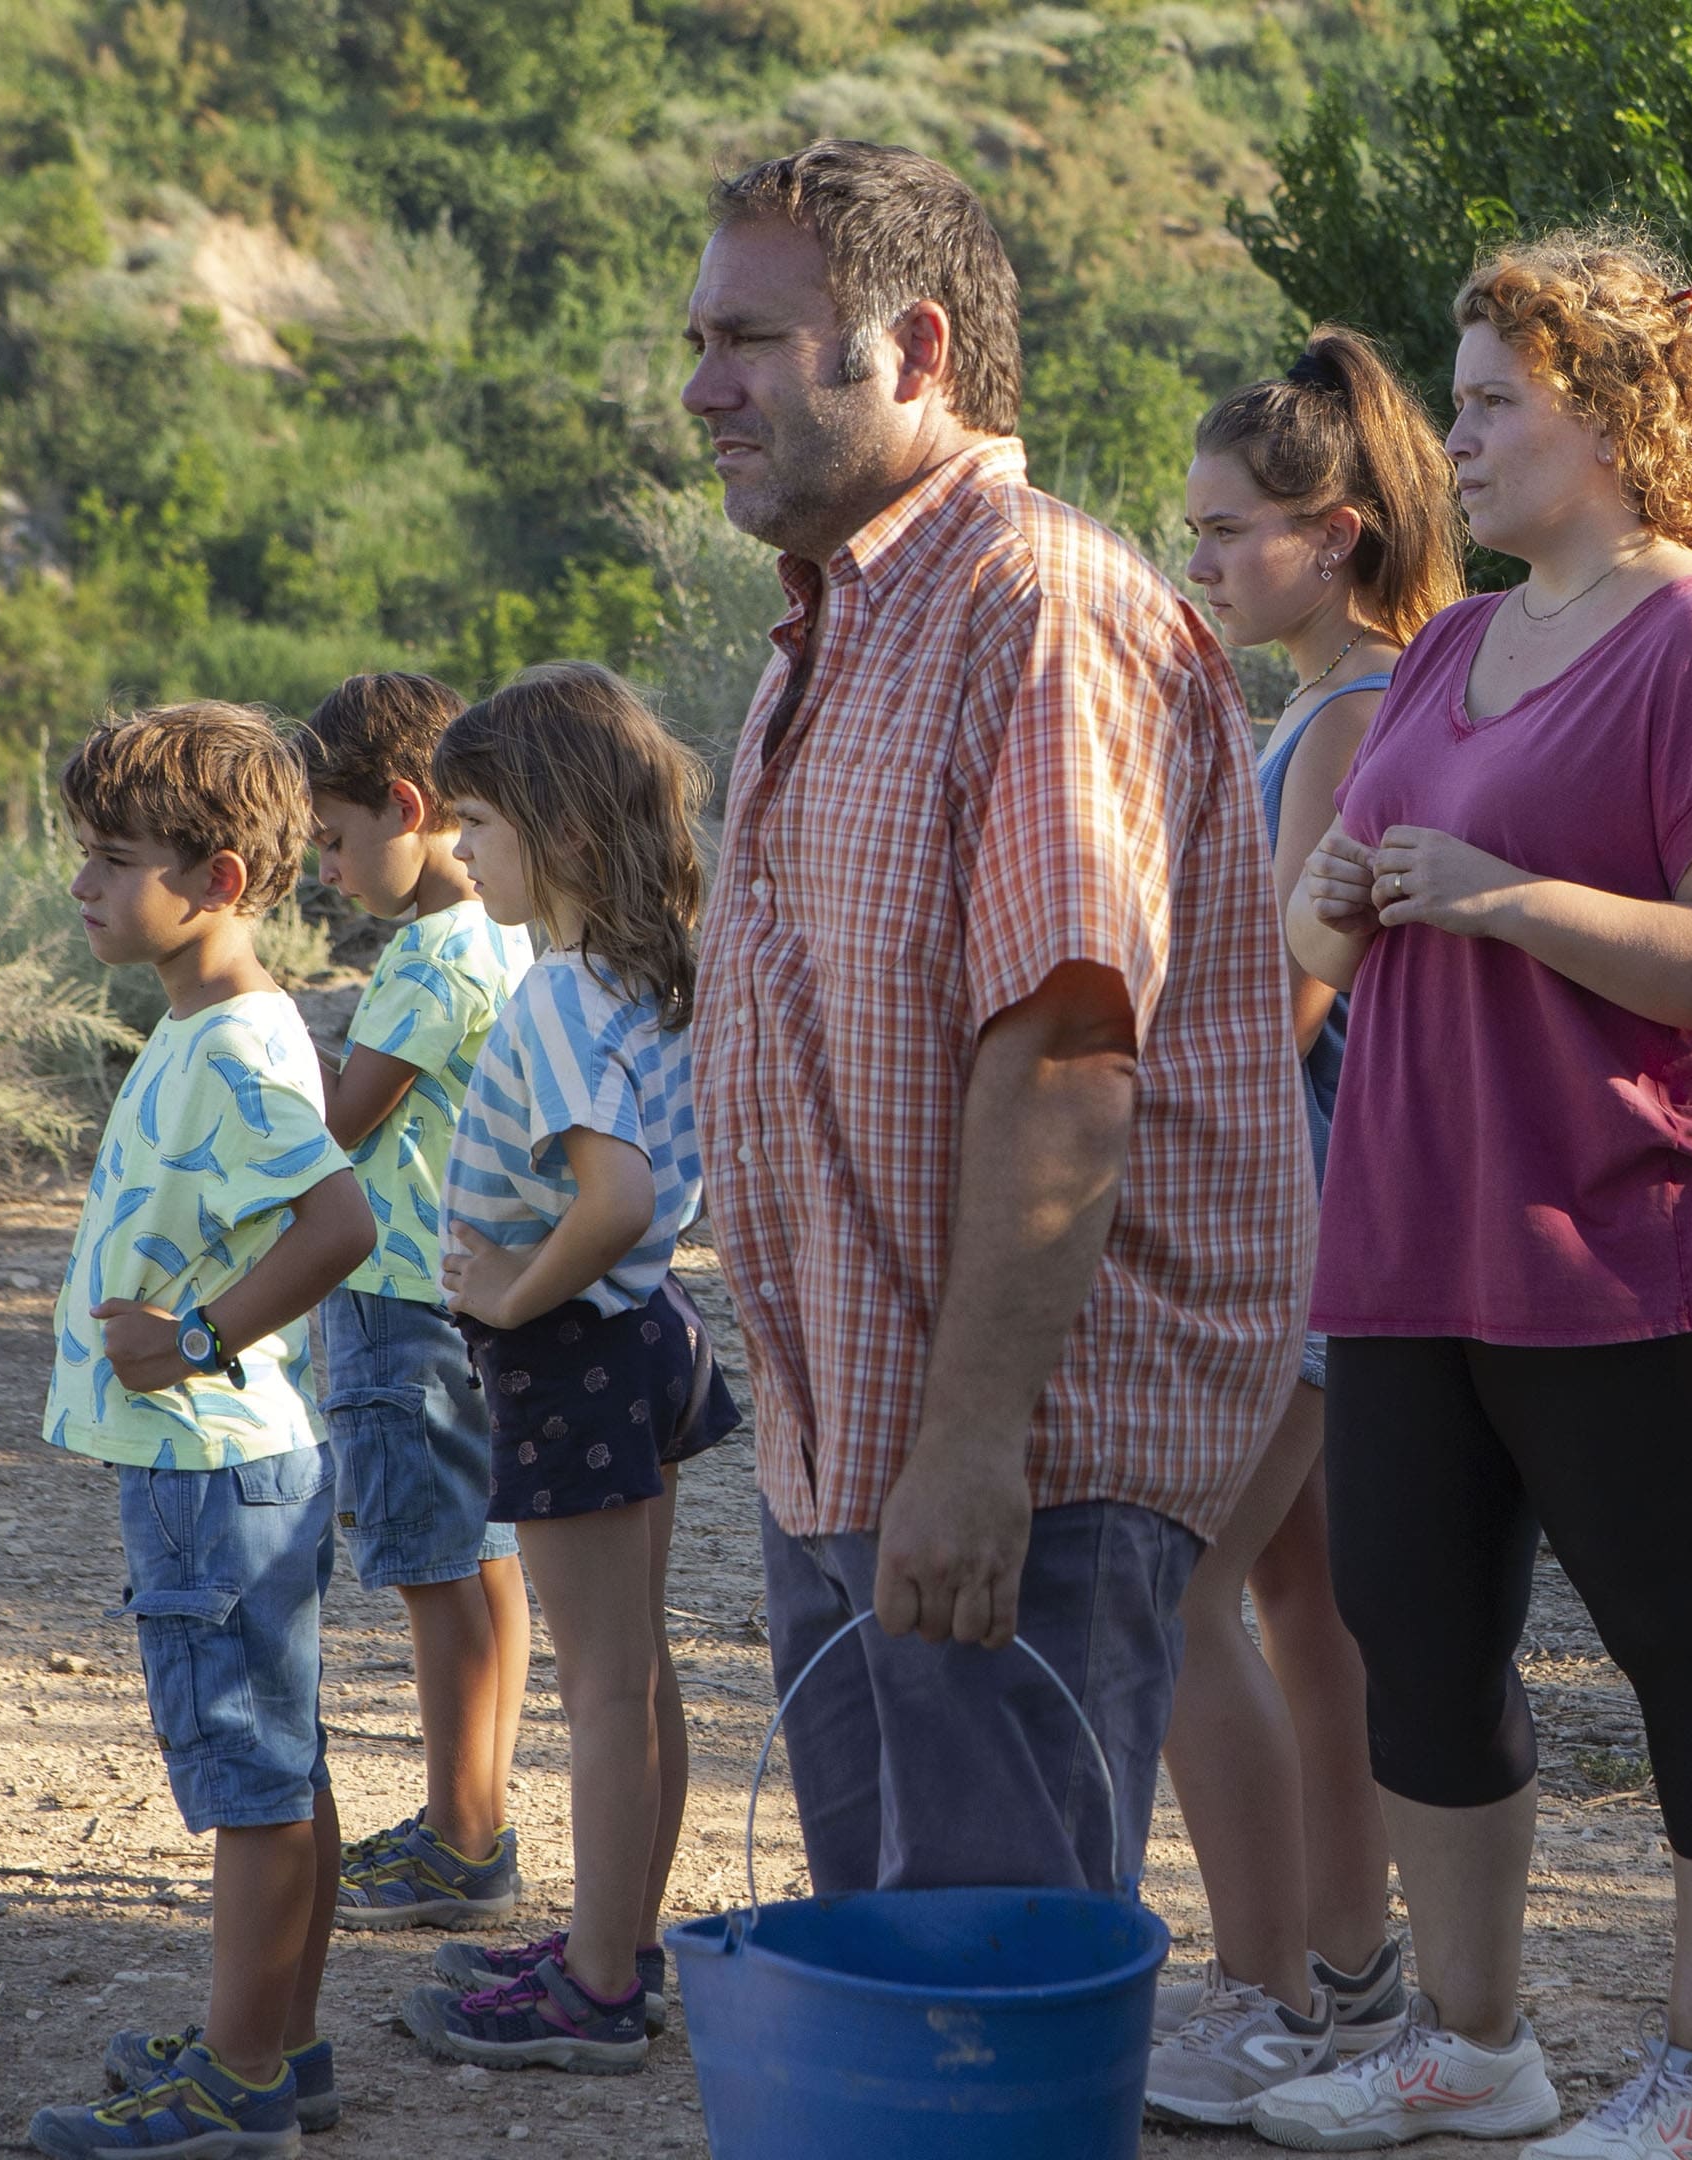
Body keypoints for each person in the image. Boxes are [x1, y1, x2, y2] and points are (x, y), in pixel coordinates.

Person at [1258, 230, 1692, 2160]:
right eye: (1463, 402)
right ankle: (1476, 2045)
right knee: (1414, 1640)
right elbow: (1322, 935)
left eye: (1494, 403)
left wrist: (1504, 899)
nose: (1460, 440)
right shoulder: (1447, 647)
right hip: (1412, 1233)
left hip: (1627, 1237)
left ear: (1614, 416)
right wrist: (1332, 897)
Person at [678, 143, 1311, 1903]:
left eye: (750, 339)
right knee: (900, 1984)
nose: (702, 388)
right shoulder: (837, 626)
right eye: (699, 341)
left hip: (1015, 1463)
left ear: (918, 349)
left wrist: (969, 1453)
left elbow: (1068, 1056)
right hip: (852, 1449)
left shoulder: (1041, 608)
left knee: (989, 1978)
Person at [1146, 323, 1459, 2123]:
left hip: (1298, 1229)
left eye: (1224, 530)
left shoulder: (1349, 712)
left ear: (1333, 533)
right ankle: (1345, 1976)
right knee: (1304, 1609)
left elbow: (1286, 1000)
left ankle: (1267, 1988)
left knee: (1175, 1594)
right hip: (1339, 1222)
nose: (1196, 560)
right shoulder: (1344, 698)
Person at [29, 704, 377, 2159]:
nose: (83, 885)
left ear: (219, 880)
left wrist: (193, 1341)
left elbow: (340, 1225)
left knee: (249, 1780)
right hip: (224, 1465)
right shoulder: (211, 1024)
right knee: (280, 1763)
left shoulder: (234, 1047)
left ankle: (237, 2089)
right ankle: (280, 2048)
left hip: (211, 1467)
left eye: (113, 860)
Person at [396, 664, 740, 2074]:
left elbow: (615, 1195)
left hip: (575, 1347)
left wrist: (509, 1294)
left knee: (601, 1685)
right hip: (644, 1335)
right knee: (636, 1672)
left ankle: (595, 1988)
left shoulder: (554, 996)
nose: (459, 849)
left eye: (478, 824)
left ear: (567, 834)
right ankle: (621, 1945)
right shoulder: (655, 969)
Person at [287, 671, 540, 1937]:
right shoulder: (504, 928)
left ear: (404, 804)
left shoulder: (433, 952)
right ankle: (470, 1823)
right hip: (468, 1293)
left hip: (398, 1303)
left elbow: (337, 1124)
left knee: (438, 1580)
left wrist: (264, 1038)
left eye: (335, 841)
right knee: (485, 1567)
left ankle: (459, 1842)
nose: (329, 872)